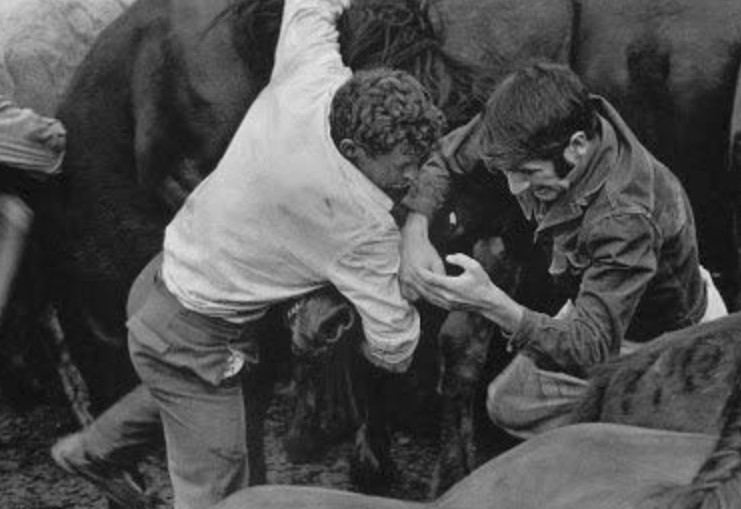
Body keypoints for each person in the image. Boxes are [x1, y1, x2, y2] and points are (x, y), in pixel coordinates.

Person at [81, 0, 447, 507]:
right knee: (226, 492)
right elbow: (396, 347)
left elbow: (310, 5)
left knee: (172, 384)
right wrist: (402, 262)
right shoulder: (359, 230)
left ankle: (93, 451)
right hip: (198, 344)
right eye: (403, 166)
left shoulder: (314, 77)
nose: (411, 178)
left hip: (157, 285)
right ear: (353, 149)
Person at [400, 62, 727, 438]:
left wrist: (491, 302)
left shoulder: (624, 220)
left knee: (526, 412)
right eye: (506, 170)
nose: (514, 188)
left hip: (658, 341)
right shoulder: (533, 126)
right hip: (598, 299)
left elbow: (592, 346)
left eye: (527, 173)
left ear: (576, 146)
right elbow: (446, 156)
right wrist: (416, 228)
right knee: (509, 401)